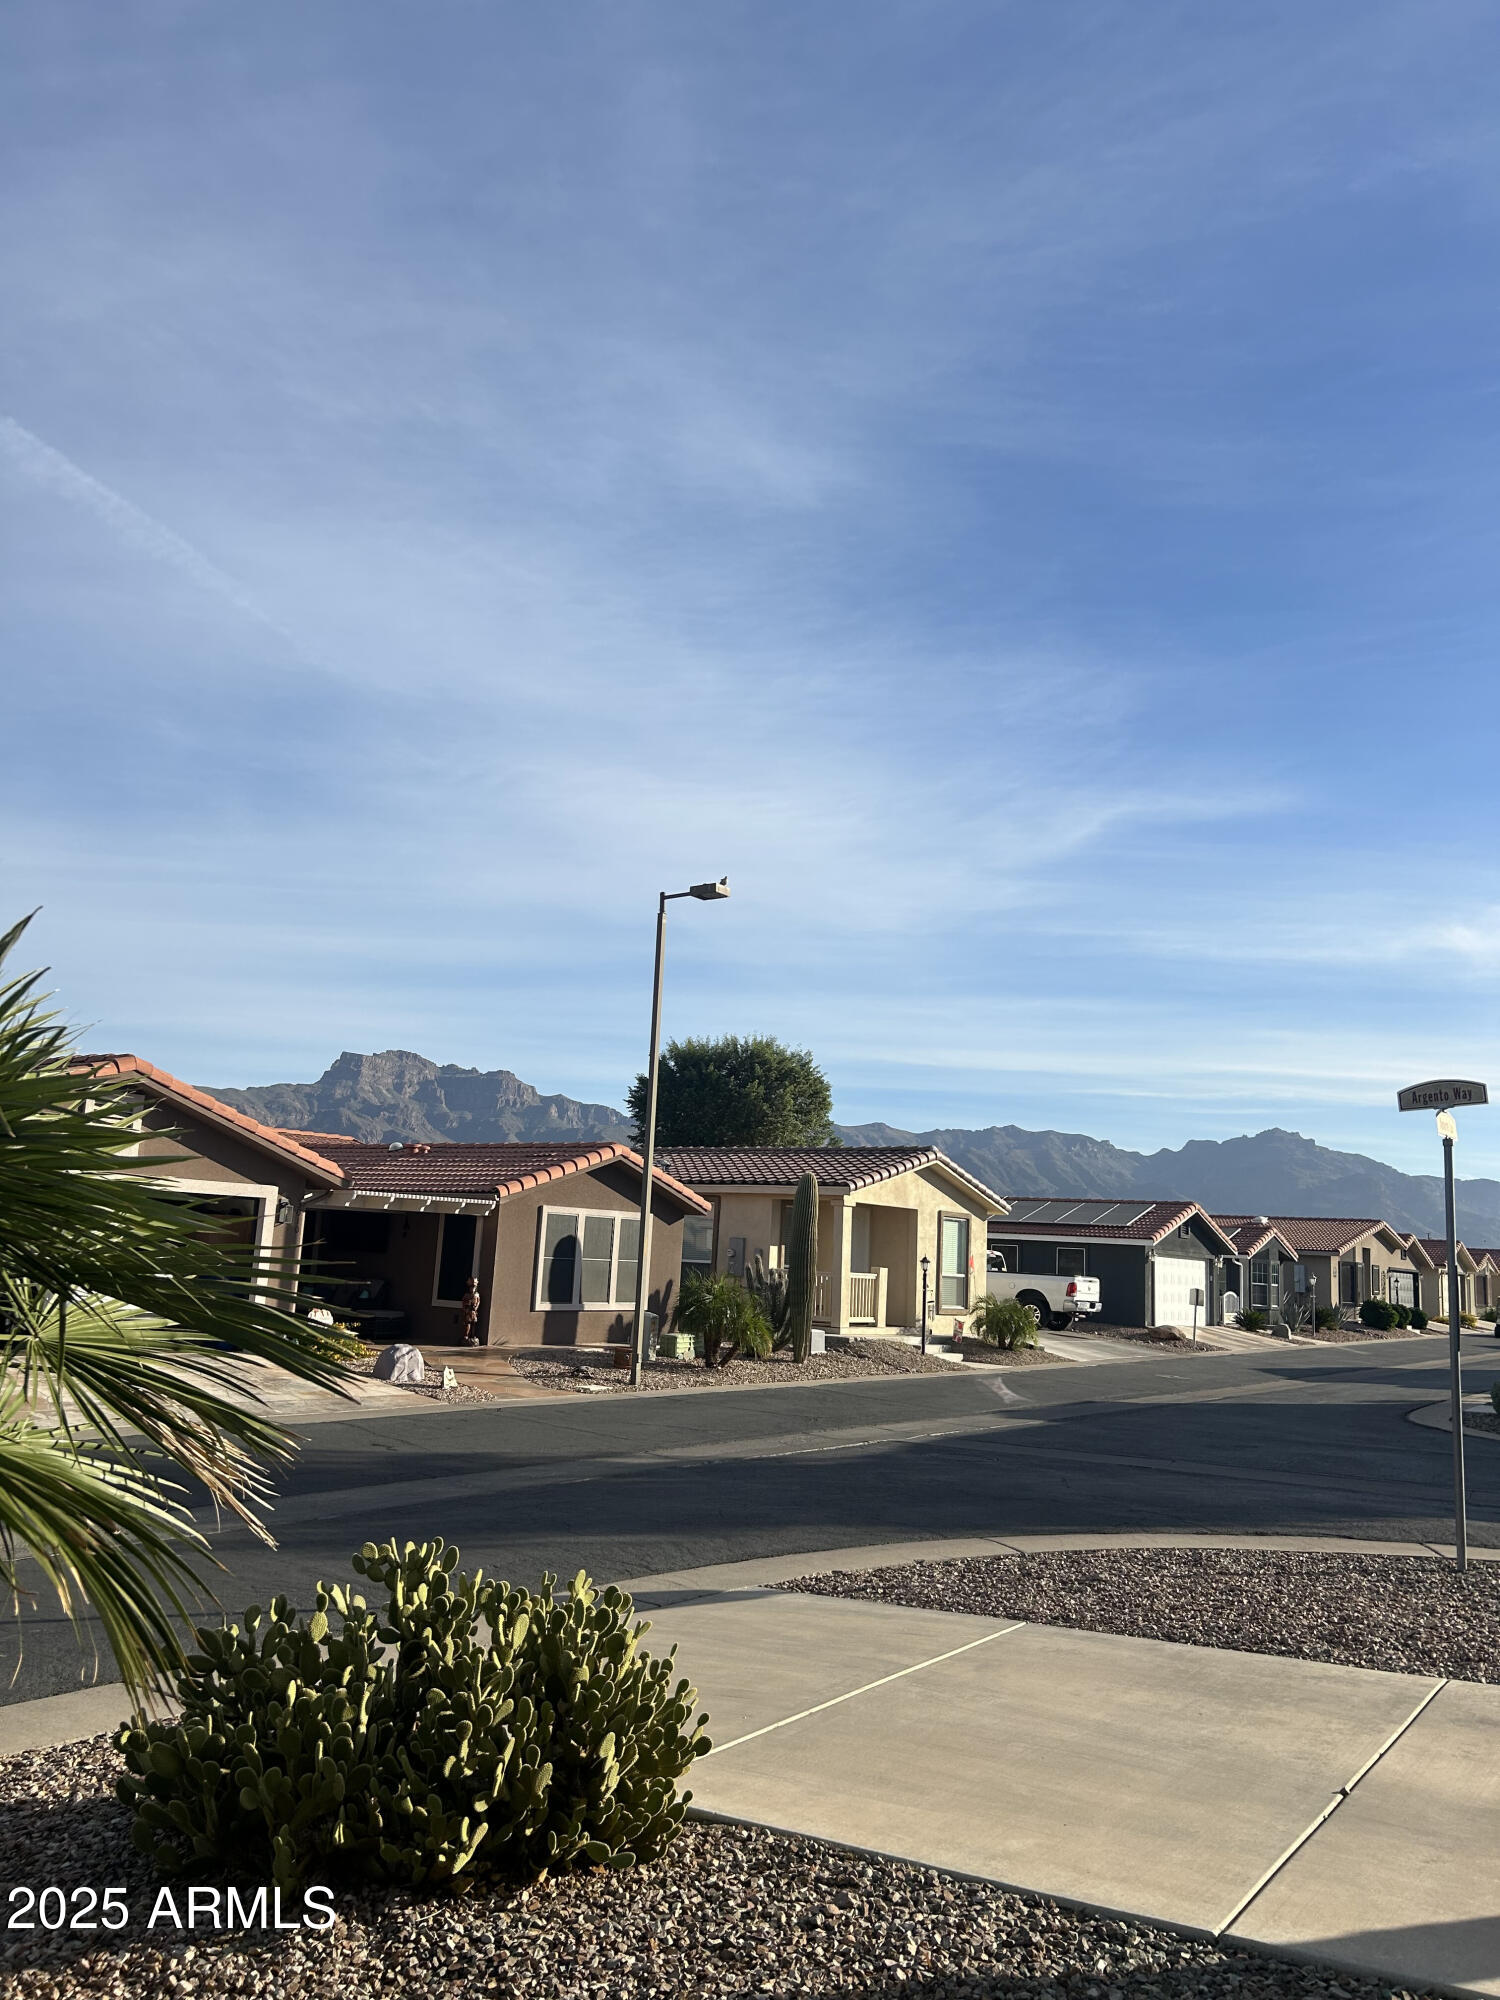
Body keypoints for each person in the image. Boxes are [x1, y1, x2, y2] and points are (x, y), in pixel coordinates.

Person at [459, 1274, 482, 1347]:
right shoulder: (466, 1295)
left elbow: (478, 1301)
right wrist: (465, 1308)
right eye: (471, 1287)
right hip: (468, 1311)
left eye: (474, 1287)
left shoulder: (477, 1294)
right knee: (468, 1324)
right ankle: (466, 1335)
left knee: (474, 1324)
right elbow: (463, 1302)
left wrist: (476, 1307)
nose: (472, 1289)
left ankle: (473, 1335)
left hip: (473, 1311)